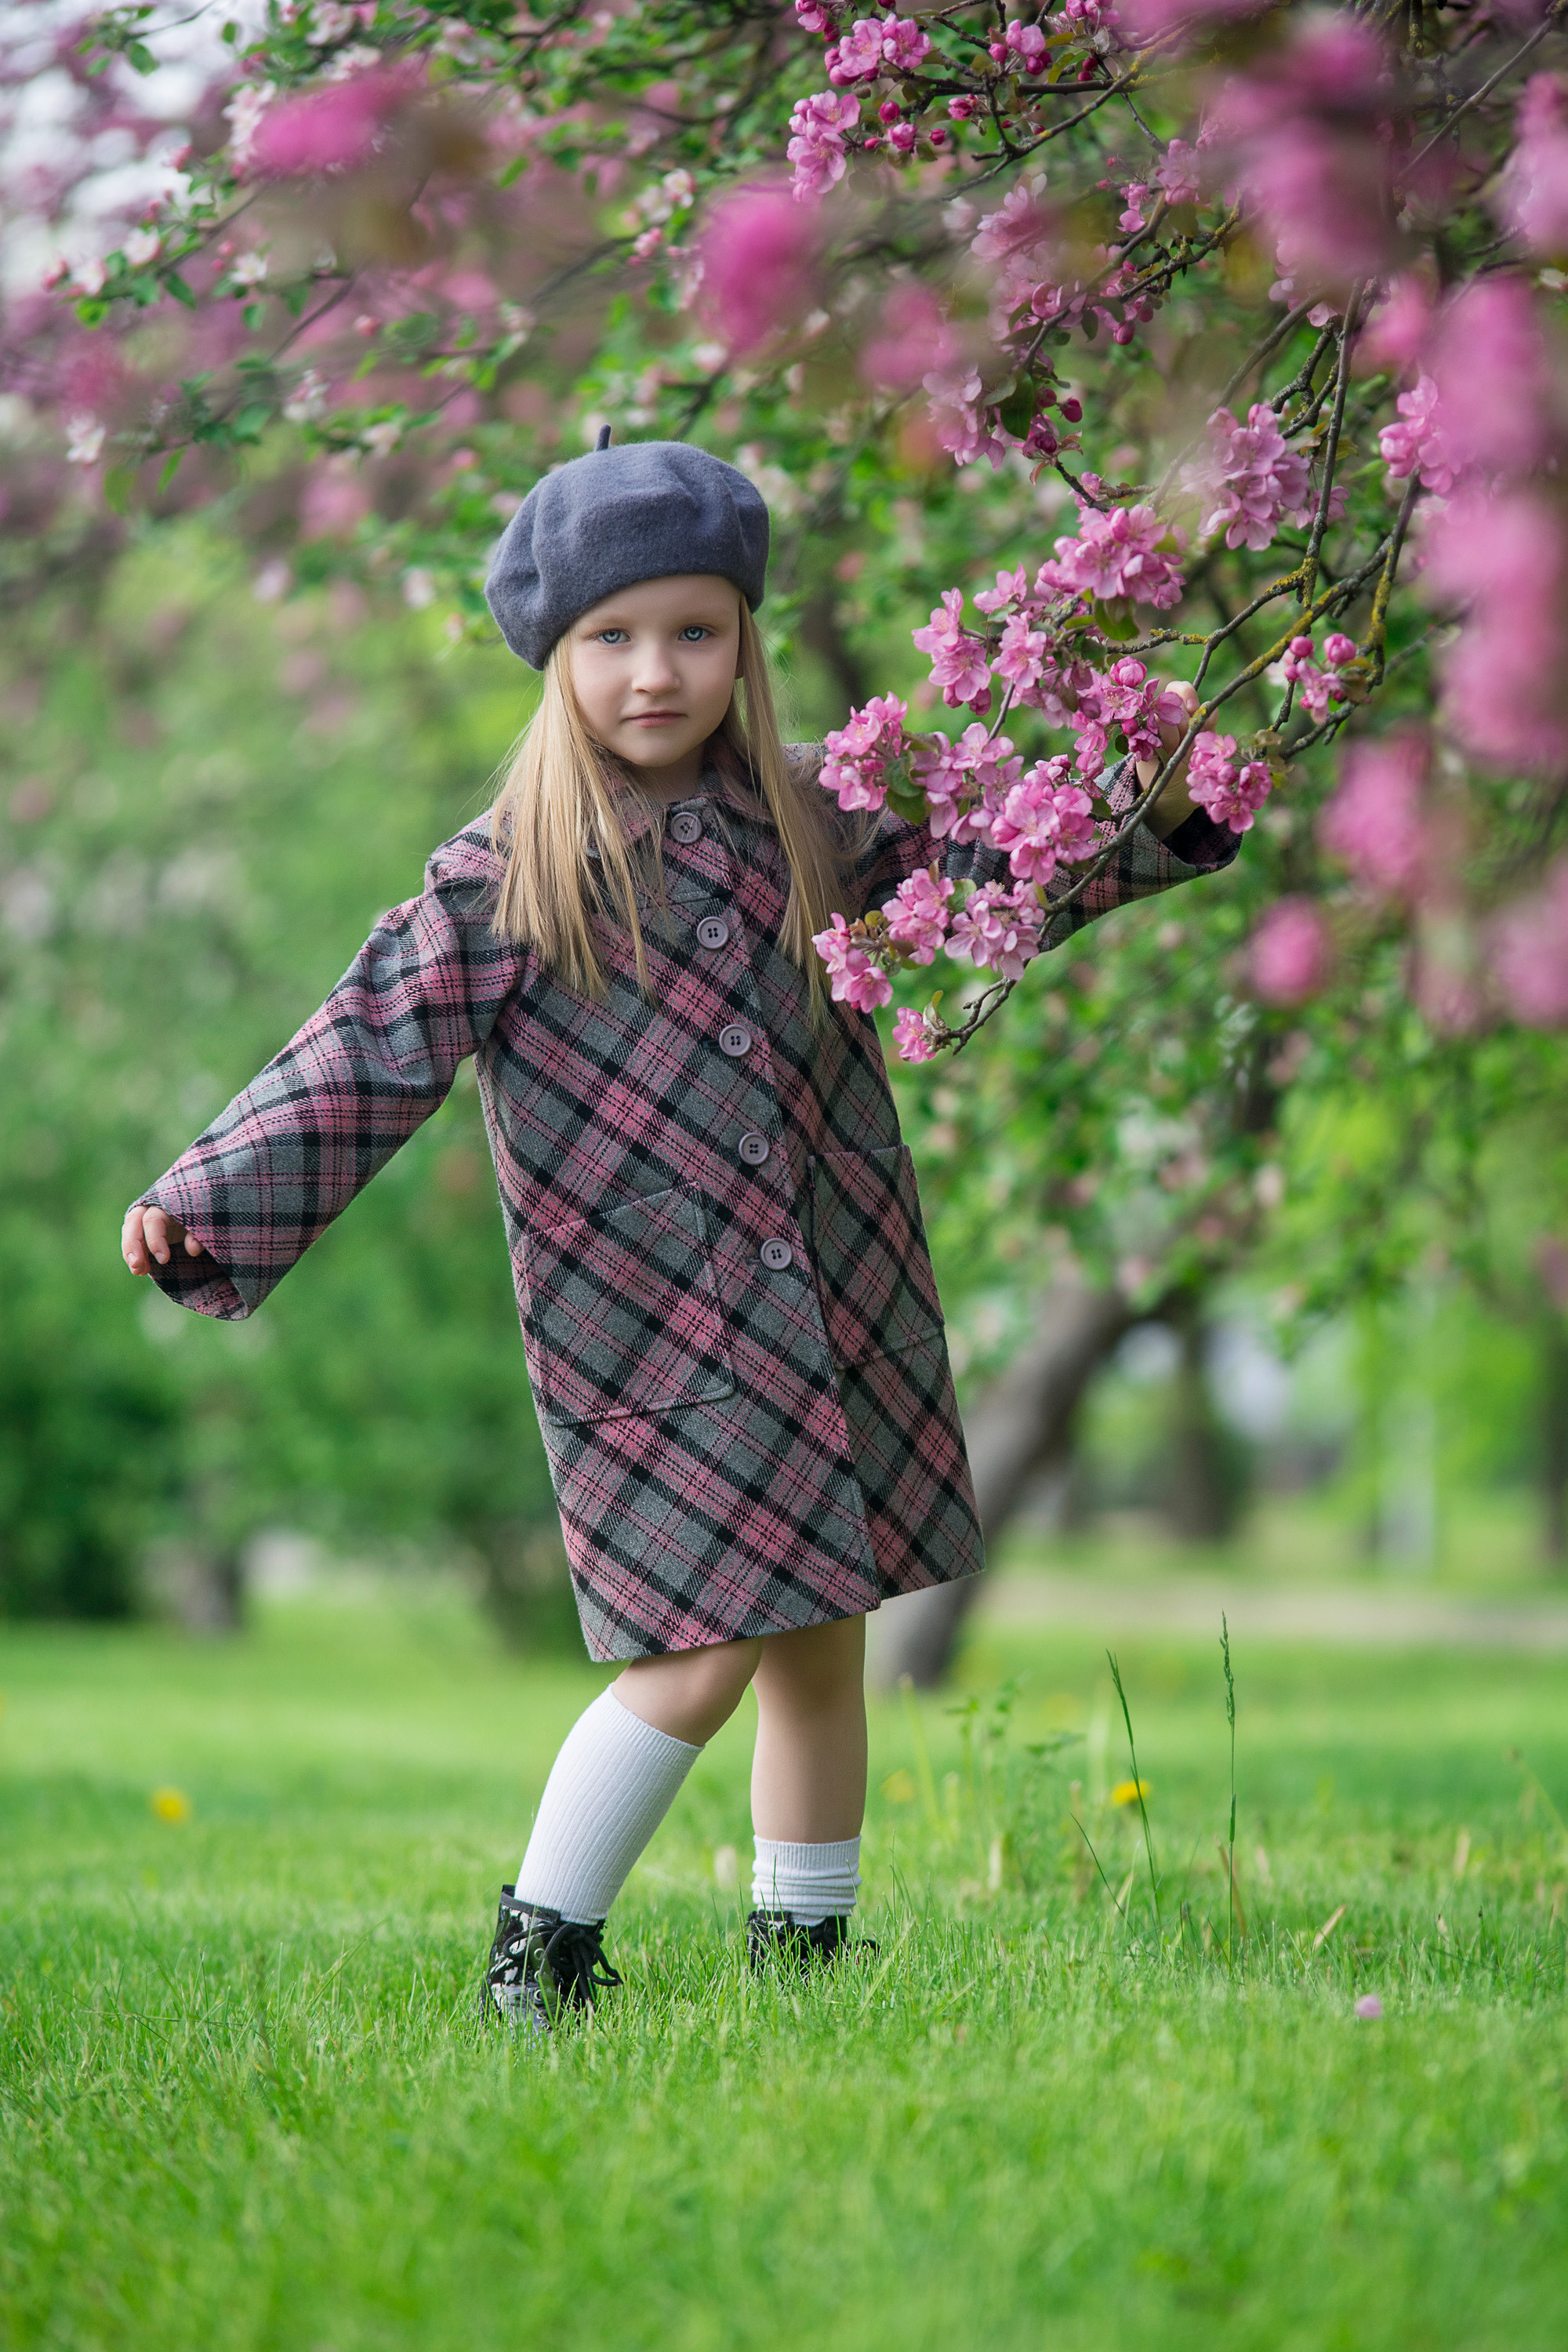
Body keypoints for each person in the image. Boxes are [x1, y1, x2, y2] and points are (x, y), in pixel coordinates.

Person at [121, 436, 1237, 2030]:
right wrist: (203, 1197)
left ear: (744, 640)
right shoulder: (505, 880)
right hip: (654, 1330)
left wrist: (1161, 811)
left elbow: (998, 872)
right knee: (698, 1654)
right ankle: (540, 1953)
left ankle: (808, 1960)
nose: (656, 672)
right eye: (612, 639)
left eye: (694, 632)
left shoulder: (818, 821)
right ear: (555, 655)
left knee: (824, 1641)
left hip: (835, 1294)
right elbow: (362, 1050)